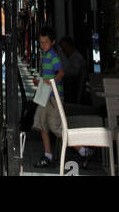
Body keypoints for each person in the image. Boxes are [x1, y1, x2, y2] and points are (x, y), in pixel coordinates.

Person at [32, 26, 66, 170]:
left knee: (55, 127)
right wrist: (42, 82)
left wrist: (49, 82)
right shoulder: (46, 55)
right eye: (41, 42)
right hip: (46, 96)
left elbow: (61, 72)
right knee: (41, 124)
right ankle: (48, 155)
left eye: (45, 42)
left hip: (54, 97)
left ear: (52, 42)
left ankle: (82, 149)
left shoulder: (52, 56)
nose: (43, 45)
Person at [57, 35, 88, 104]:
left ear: (69, 46)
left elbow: (74, 73)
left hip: (73, 93)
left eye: (64, 48)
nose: (63, 51)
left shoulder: (78, 59)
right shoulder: (71, 58)